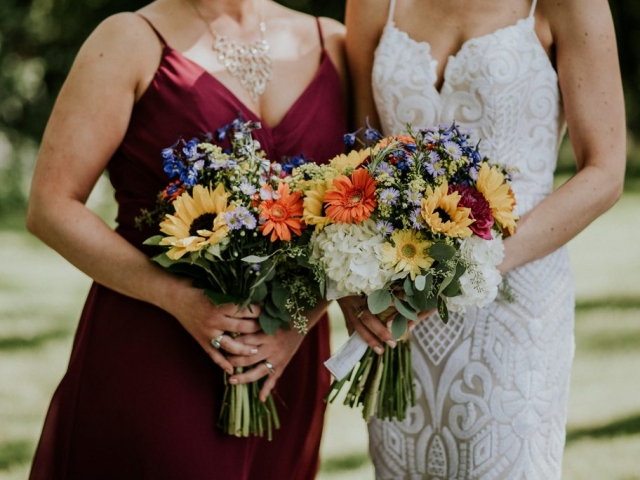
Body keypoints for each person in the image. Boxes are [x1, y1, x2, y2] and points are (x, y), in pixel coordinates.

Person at [26, 0, 347, 478]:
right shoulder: (129, 40)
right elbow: (51, 206)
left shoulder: (333, 43)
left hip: (285, 358)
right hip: (157, 341)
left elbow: (360, 212)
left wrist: (299, 322)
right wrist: (179, 298)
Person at [342, 0, 625, 478]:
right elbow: (359, 159)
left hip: (515, 303)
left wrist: (470, 269)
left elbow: (604, 172)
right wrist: (353, 286)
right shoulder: (371, 4)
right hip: (399, 309)